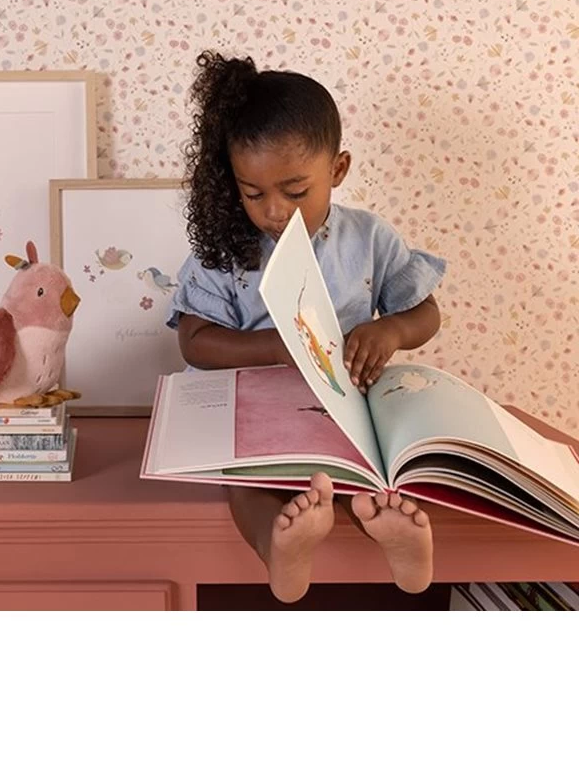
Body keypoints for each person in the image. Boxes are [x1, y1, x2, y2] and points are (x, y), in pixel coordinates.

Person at [168, 52, 446, 603]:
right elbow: (193, 342)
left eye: (295, 191)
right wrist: (275, 348)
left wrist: (390, 332)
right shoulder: (226, 250)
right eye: (253, 193)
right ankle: (278, 550)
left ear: (337, 170)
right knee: (244, 485)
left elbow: (426, 313)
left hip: (341, 410)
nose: (274, 211)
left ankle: (389, 532)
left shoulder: (369, 238)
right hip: (255, 415)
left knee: (362, 476)